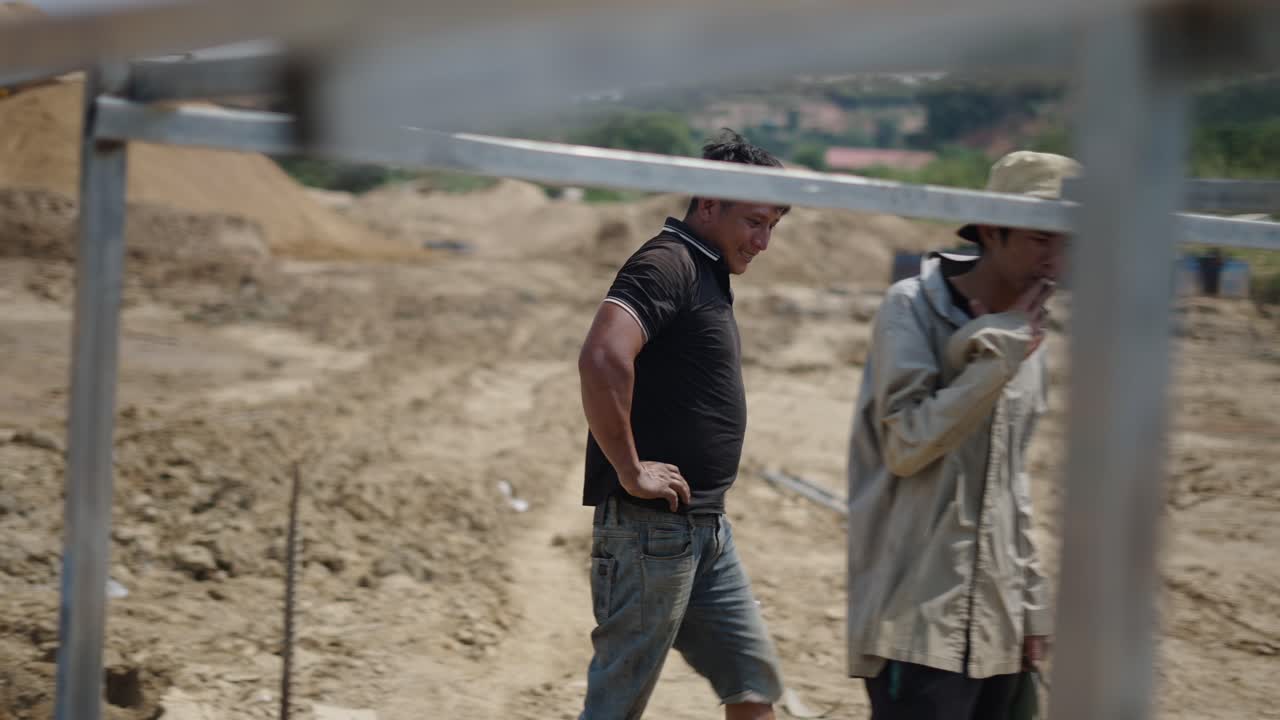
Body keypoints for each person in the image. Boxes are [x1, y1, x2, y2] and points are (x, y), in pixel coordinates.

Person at [845, 150, 1082, 719]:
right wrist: (995, 356)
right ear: (991, 232)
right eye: (1040, 238)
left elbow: (1010, 486)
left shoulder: (1030, 329)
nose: (1057, 258)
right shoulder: (911, 309)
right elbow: (906, 446)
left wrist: (1032, 608)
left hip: (999, 623)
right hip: (917, 621)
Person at [576, 129, 789, 720]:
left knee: (752, 684)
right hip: (652, 534)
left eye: (773, 226)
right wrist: (630, 469)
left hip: (706, 529)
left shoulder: (705, 268)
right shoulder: (666, 262)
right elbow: (602, 358)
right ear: (709, 203)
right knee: (617, 703)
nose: (764, 242)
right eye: (754, 222)